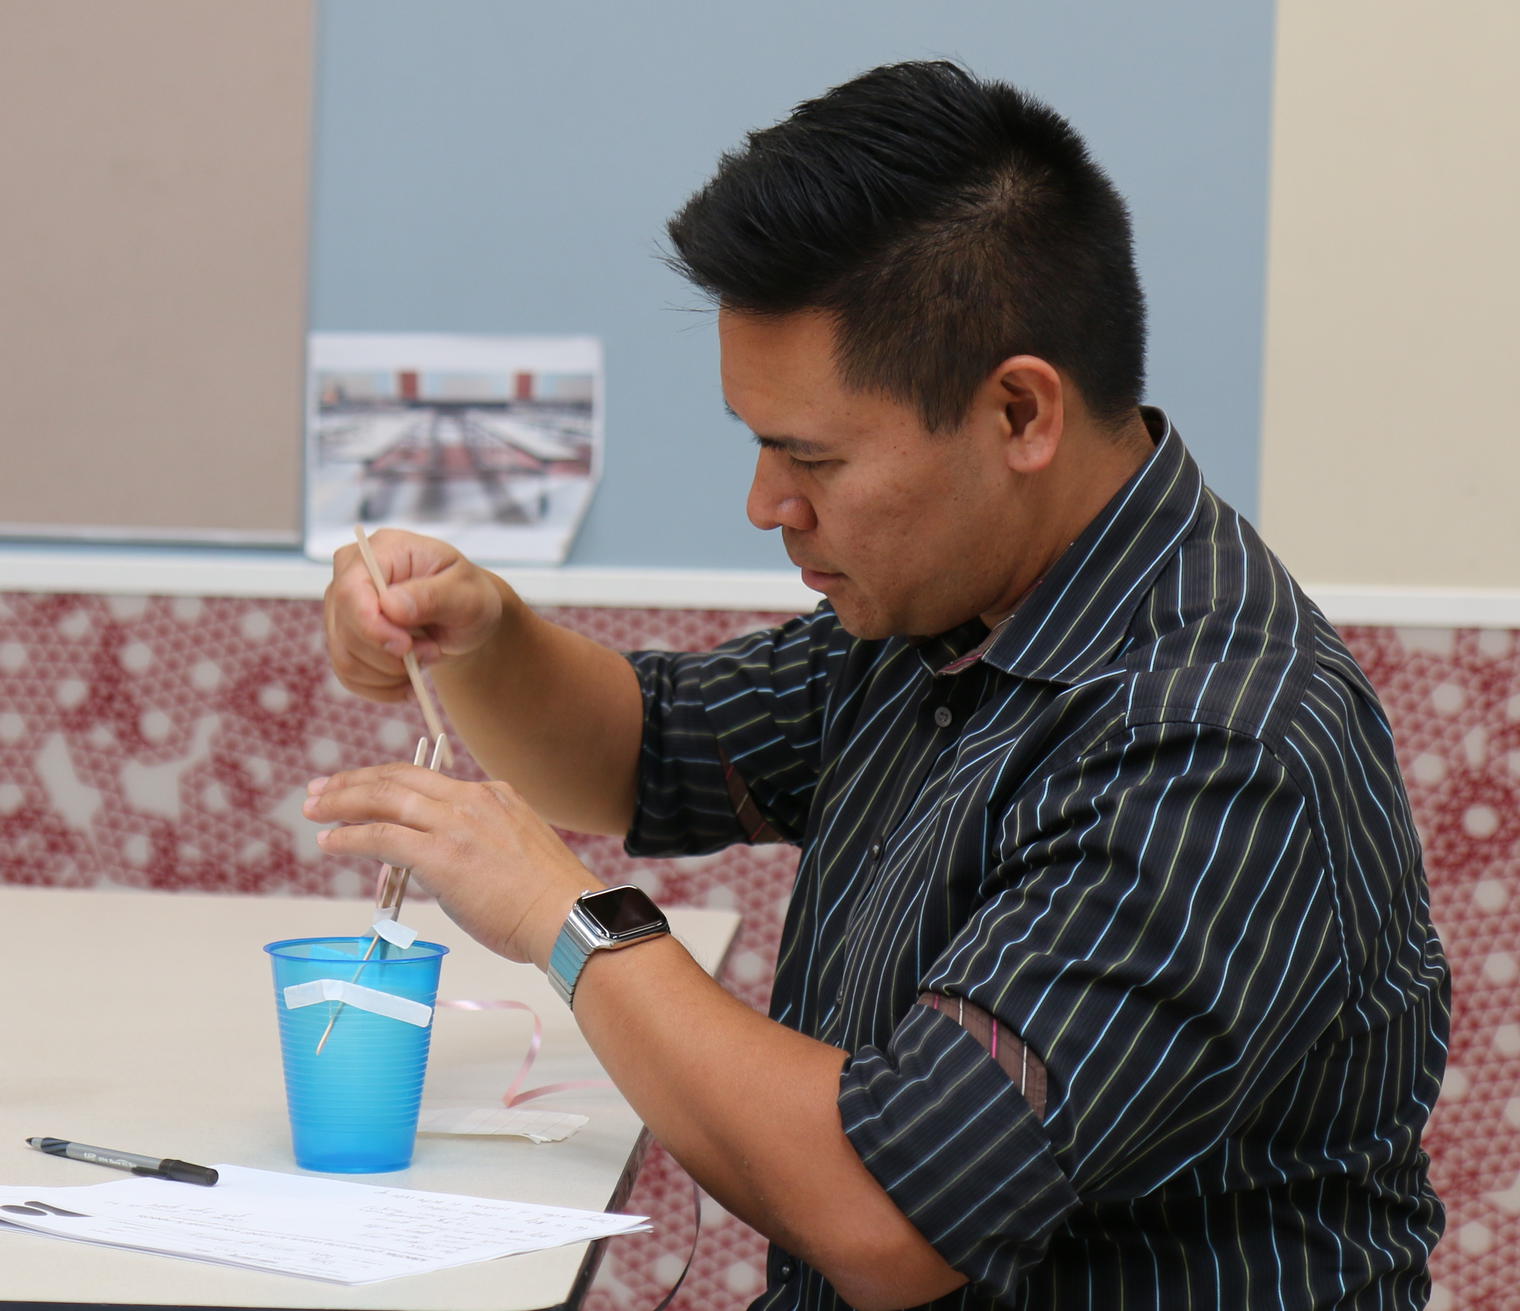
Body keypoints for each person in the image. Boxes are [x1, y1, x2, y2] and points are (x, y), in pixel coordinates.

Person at [307, 61, 1448, 1311]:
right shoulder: (941, 608)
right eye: (756, 443)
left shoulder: (1216, 742)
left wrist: (568, 922)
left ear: (1019, 411)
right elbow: (651, 747)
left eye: (812, 457)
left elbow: (891, 1210)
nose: (765, 506)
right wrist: (479, 633)